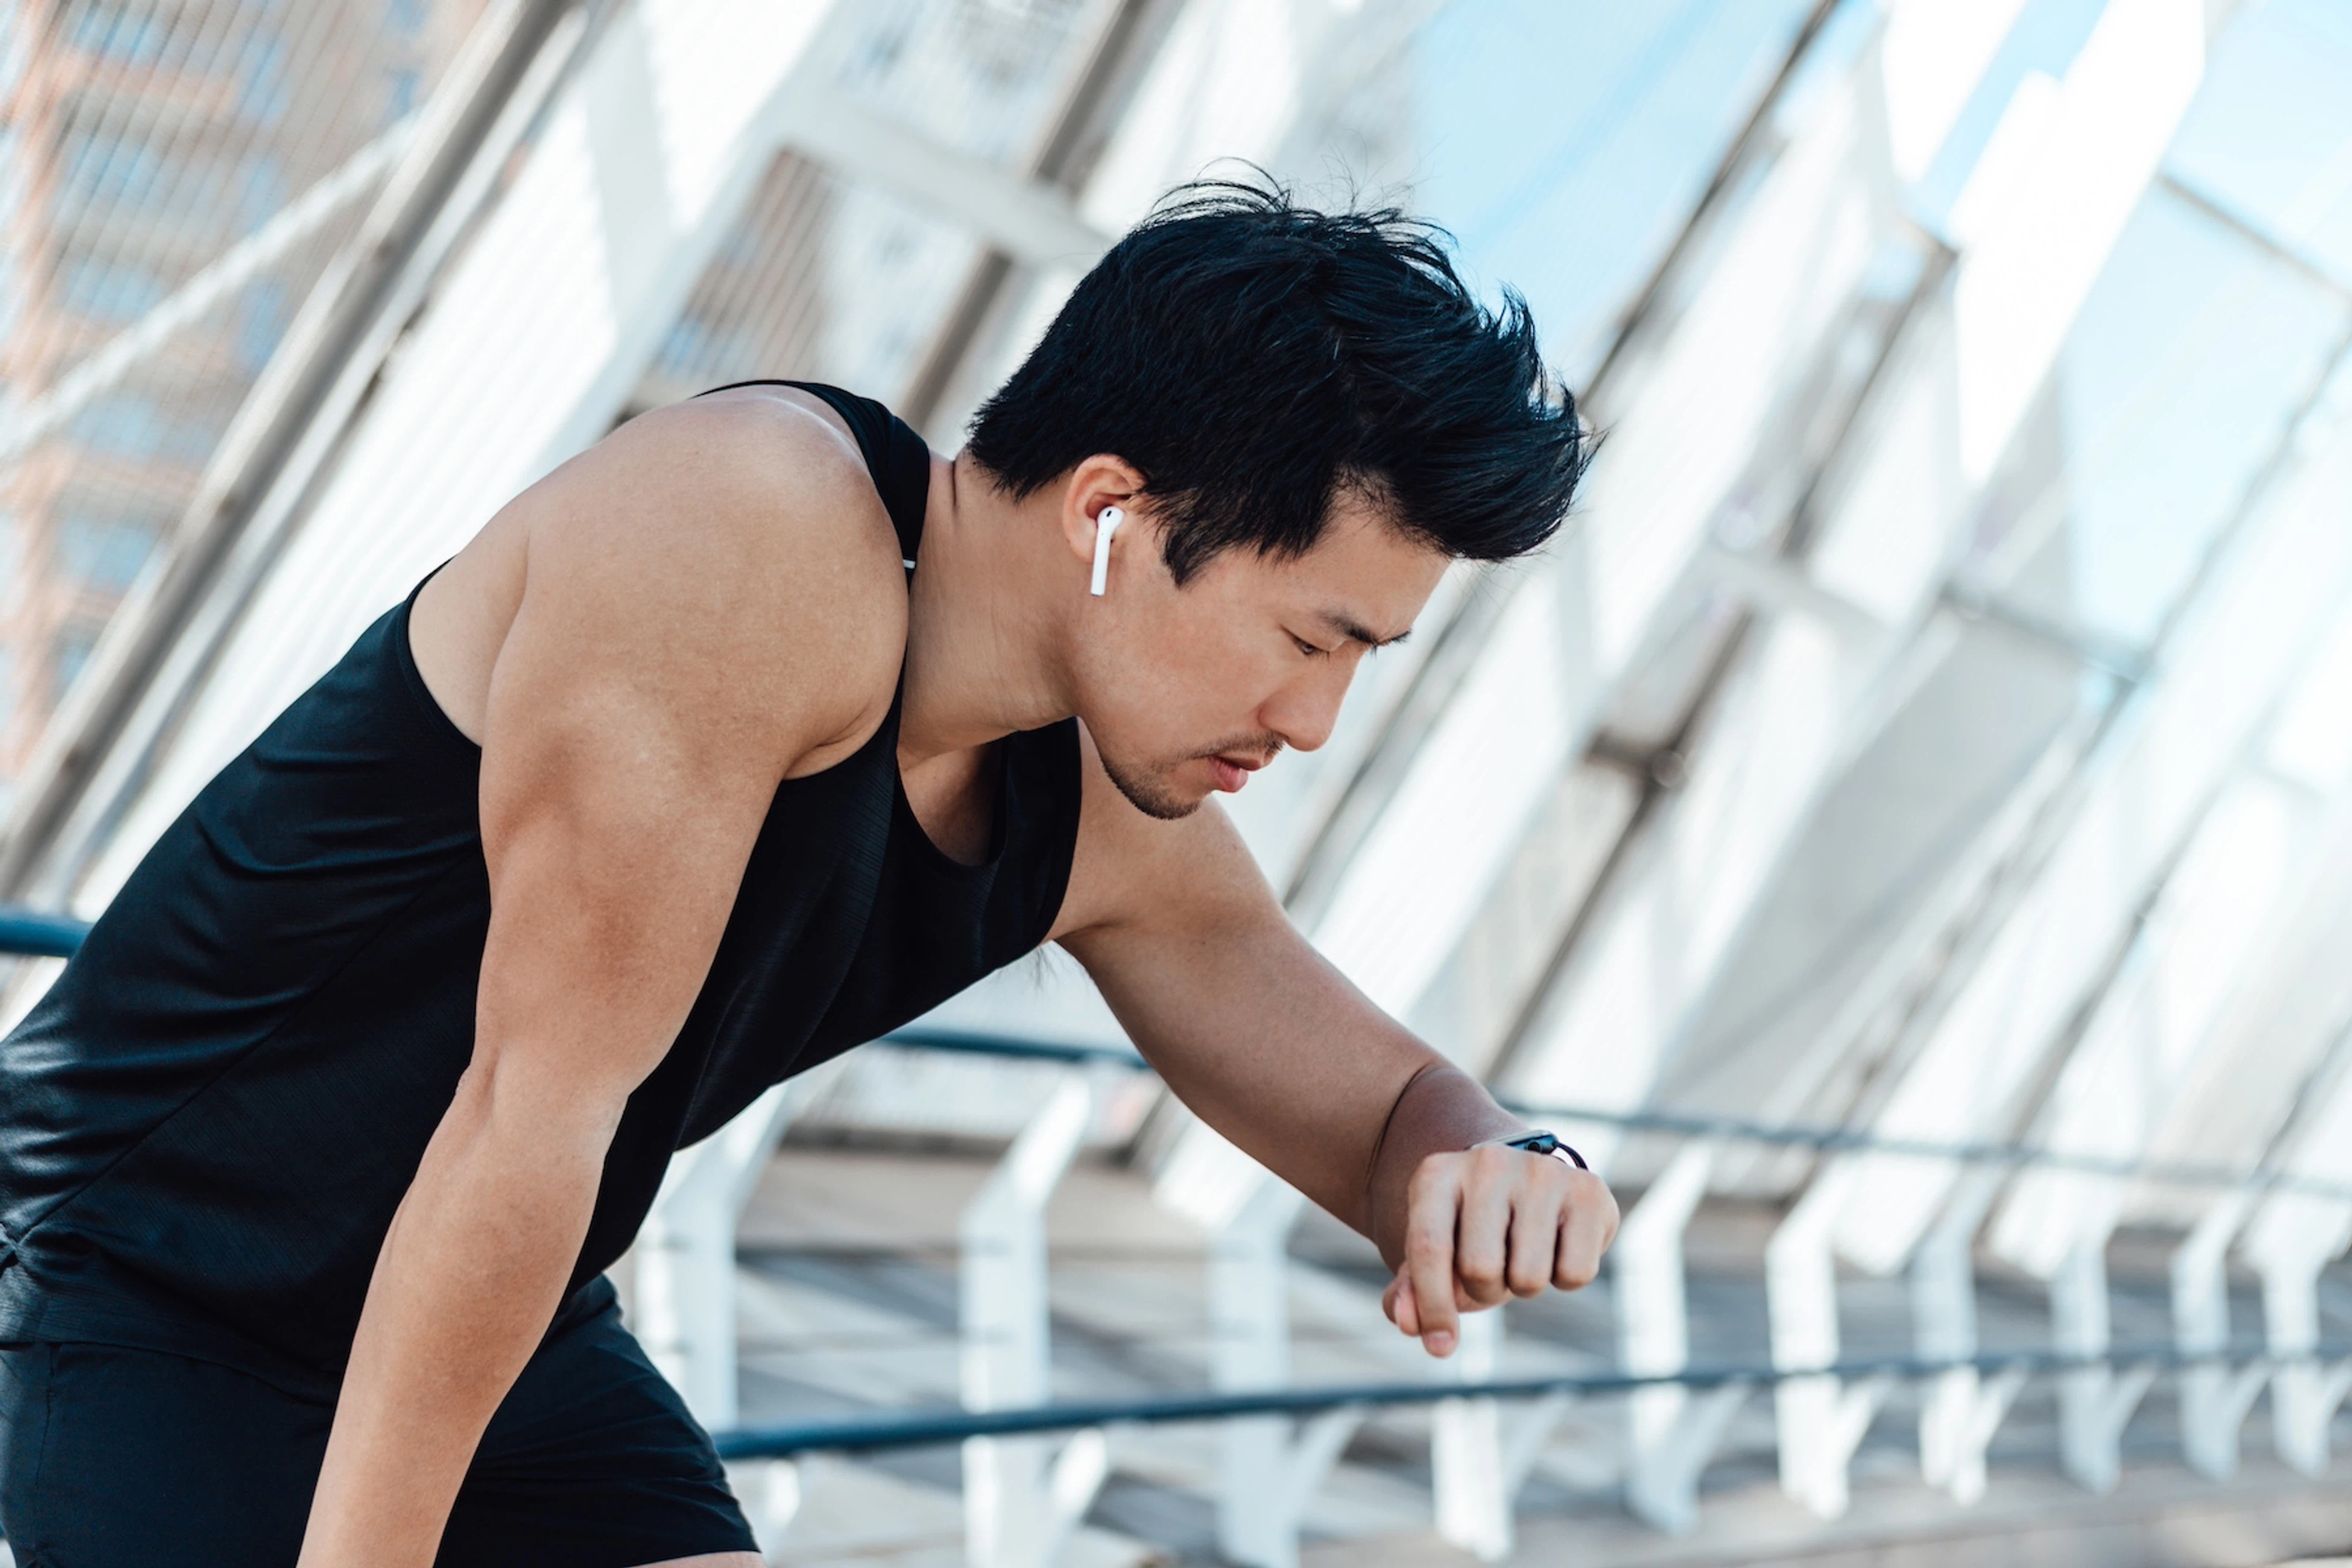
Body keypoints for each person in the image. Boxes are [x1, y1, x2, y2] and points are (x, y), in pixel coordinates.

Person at [0, 181, 1616, 1567]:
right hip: (139, 1268)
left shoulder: (1104, 808)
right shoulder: (751, 534)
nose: (1317, 723)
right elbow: (523, 1119)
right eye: (1303, 638)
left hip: (503, 1314)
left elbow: (1387, 1112)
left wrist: (1498, 1154)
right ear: (1112, 517)